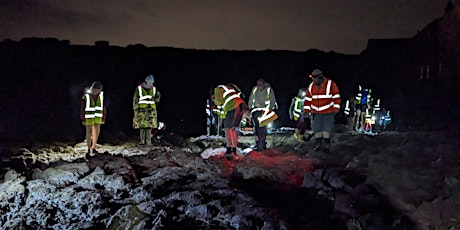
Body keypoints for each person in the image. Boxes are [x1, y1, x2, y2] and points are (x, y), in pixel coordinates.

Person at [303, 69, 341, 152]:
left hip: (328, 111)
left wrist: (336, 108)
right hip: (316, 112)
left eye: (314, 78)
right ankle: (318, 145)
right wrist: (306, 109)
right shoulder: (311, 86)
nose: (313, 80)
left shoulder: (330, 84)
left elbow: (336, 97)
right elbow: (308, 99)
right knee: (317, 129)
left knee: (326, 130)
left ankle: (327, 146)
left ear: (320, 77)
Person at [213, 84, 249, 160]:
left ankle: (229, 151)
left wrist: (214, 100)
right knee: (232, 129)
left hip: (234, 106)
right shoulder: (227, 88)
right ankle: (234, 150)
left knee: (227, 129)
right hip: (239, 106)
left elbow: (219, 101)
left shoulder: (217, 89)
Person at [248, 78, 278, 151]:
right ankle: (258, 143)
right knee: (256, 128)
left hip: (265, 112)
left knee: (262, 128)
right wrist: (250, 110)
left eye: (260, 84)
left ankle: (262, 144)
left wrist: (269, 111)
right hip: (255, 111)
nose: (259, 86)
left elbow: (272, 102)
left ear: (264, 84)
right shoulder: (254, 89)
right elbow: (251, 100)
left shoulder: (269, 90)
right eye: (257, 84)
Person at [133, 74, 161, 146]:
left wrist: (155, 99)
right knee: (142, 126)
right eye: (149, 82)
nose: (150, 84)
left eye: (152, 83)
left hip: (151, 110)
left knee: (149, 126)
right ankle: (142, 141)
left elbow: (158, 97)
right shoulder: (139, 88)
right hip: (141, 110)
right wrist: (135, 109)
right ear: (146, 81)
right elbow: (135, 99)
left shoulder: (154, 89)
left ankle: (148, 141)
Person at [80, 81, 106, 158]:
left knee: (96, 132)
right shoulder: (86, 96)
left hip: (98, 117)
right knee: (89, 132)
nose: (96, 91)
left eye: (98, 90)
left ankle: (93, 147)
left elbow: (103, 107)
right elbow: (83, 107)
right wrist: (83, 118)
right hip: (88, 117)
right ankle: (88, 148)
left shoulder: (101, 96)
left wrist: (104, 117)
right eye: (95, 90)